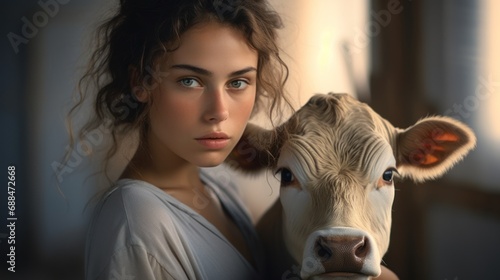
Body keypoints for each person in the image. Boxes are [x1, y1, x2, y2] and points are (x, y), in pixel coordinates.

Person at [69, 0, 399, 279]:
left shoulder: (218, 186)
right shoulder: (135, 224)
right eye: (190, 80)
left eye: (238, 82)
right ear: (141, 82)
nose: (219, 112)